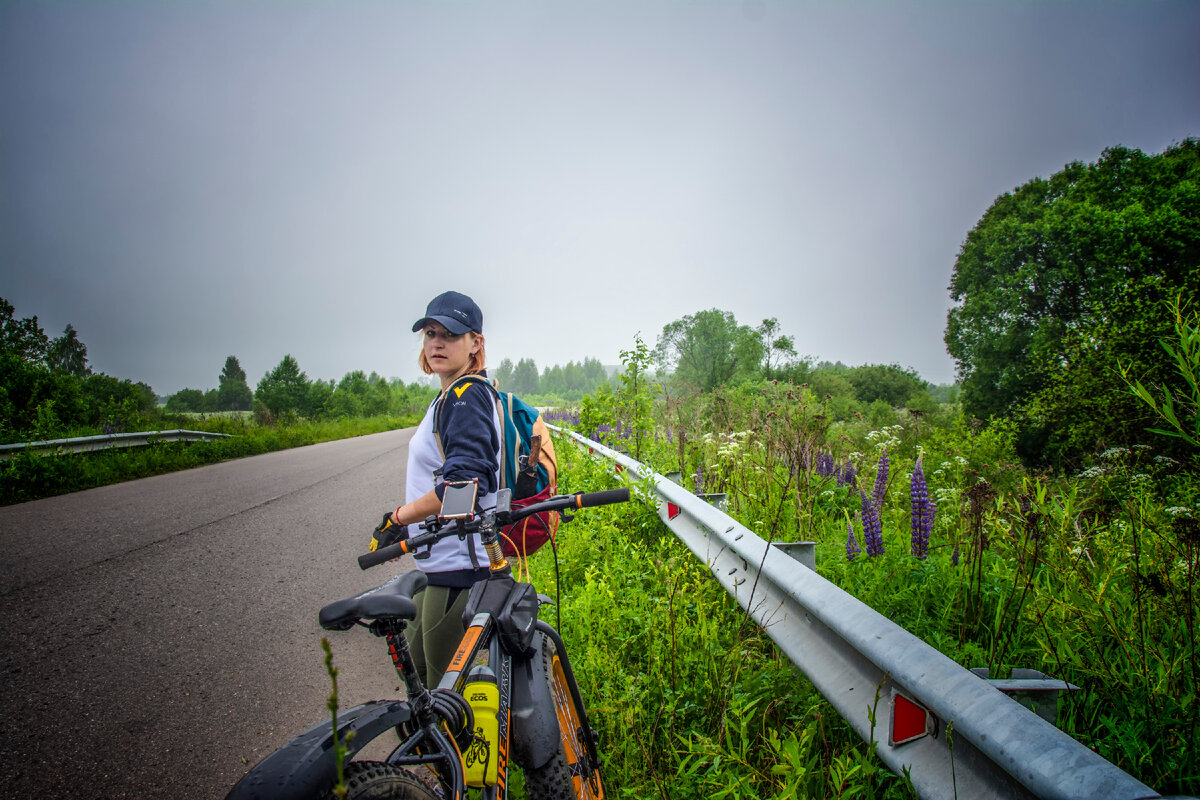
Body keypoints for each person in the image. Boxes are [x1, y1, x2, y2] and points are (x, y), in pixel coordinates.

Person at [383, 290, 501, 688]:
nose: (436, 342)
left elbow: (461, 488)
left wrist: (400, 516)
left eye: (449, 334)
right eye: (430, 332)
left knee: (443, 699)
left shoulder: (466, 398)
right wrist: (408, 526)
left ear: (475, 343)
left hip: (457, 571)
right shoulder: (451, 395)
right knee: (420, 687)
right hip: (439, 566)